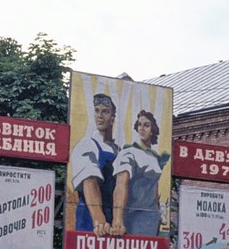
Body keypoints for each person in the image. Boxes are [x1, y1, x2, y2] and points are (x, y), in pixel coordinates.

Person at [110, 110, 170, 236]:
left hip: (151, 219)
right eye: (139, 125)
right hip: (133, 217)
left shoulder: (154, 158)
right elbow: (121, 184)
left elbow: (155, 189)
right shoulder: (128, 153)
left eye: (146, 125)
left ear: (152, 130)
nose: (142, 129)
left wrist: (159, 213)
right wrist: (117, 219)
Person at [70, 93, 119, 236]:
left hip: (115, 231)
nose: (100, 116)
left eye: (105, 111)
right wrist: (99, 221)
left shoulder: (119, 151)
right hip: (91, 228)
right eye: (96, 111)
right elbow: (90, 181)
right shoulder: (86, 145)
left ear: (113, 118)